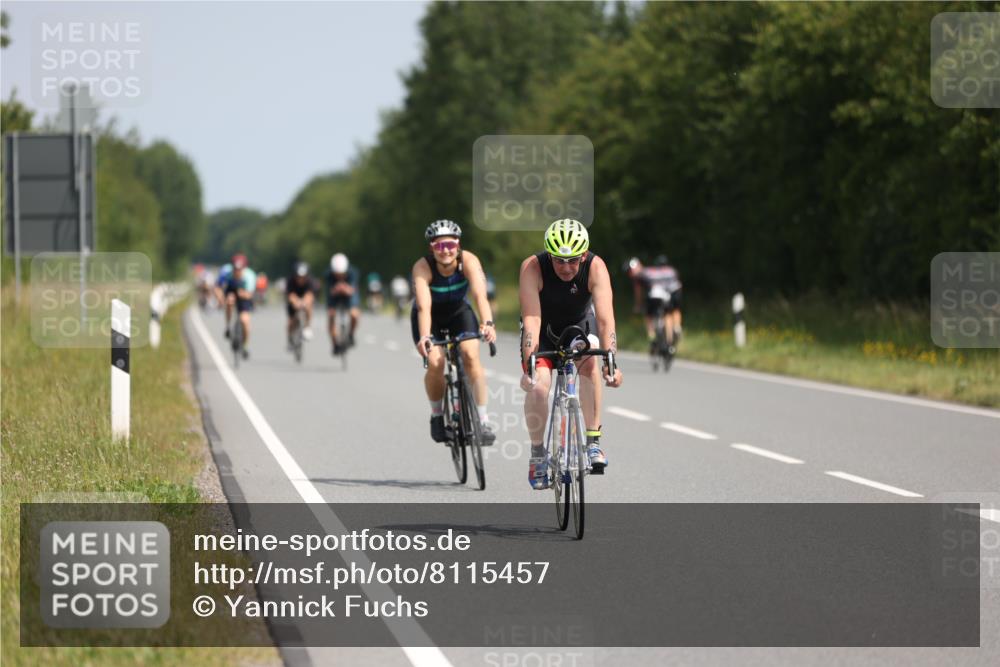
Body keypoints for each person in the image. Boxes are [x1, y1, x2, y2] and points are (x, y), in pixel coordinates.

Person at [519, 219, 623, 490]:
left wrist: (611, 361)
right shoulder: (533, 267)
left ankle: (593, 443)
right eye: (558, 261)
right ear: (549, 255)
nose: (566, 268)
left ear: (584, 255)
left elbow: (605, 320)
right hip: (543, 329)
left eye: (573, 261)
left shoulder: (596, 267)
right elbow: (531, 318)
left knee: (589, 365)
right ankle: (538, 454)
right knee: (539, 387)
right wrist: (529, 364)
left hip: (580, 325)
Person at [412, 219, 497, 445]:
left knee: (470, 354)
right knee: (436, 362)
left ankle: (483, 419)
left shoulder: (468, 260)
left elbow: (480, 296)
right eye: (439, 246)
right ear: (432, 247)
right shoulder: (423, 267)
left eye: (450, 245)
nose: (445, 251)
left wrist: (488, 323)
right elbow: (423, 307)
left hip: (459, 311)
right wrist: (425, 337)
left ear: (458, 244)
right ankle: (437, 416)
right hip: (431, 317)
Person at [628, 255, 683, 350]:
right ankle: (674, 331)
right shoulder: (671, 270)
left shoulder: (643, 273)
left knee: (648, 314)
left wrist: (638, 305)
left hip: (656, 294)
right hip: (674, 290)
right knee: (671, 312)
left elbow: (639, 292)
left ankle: (652, 336)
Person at [220, 253, 257, 358]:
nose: (237, 271)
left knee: (245, 321)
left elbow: (249, 294)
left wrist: (242, 294)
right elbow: (219, 287)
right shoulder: (227, 274)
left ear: (244, 269)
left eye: (240, 269)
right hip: (231, 291)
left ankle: (244, 346)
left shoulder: (249, 276)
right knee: (230, 301)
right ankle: (228, 326)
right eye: (235, 269)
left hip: (244, 296)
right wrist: (222, 298)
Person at [326, 253, 360, 354]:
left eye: (342, 273)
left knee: (354, 314)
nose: (339, 275)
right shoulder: (328, 275)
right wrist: (337, 289)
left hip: (349, 295)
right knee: (331, 315)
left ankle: (351, 334)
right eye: (337, 273)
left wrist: (344, 288)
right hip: (334, 295)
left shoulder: (353, 273)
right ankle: (335, 343)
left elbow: (352, 290)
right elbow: (330, 291)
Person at [285, 261, 315, 347]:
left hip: (305, 299)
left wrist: (305, 302)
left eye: (303, 277)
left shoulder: (310, 281)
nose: (300, 278)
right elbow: (290, 295)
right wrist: (296, 302)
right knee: (291, 321)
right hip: (294, 300)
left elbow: (310, 295)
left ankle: (307, 327)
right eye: (298, 276)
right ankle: (290, 337)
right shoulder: (290, 281)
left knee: (308, 307)